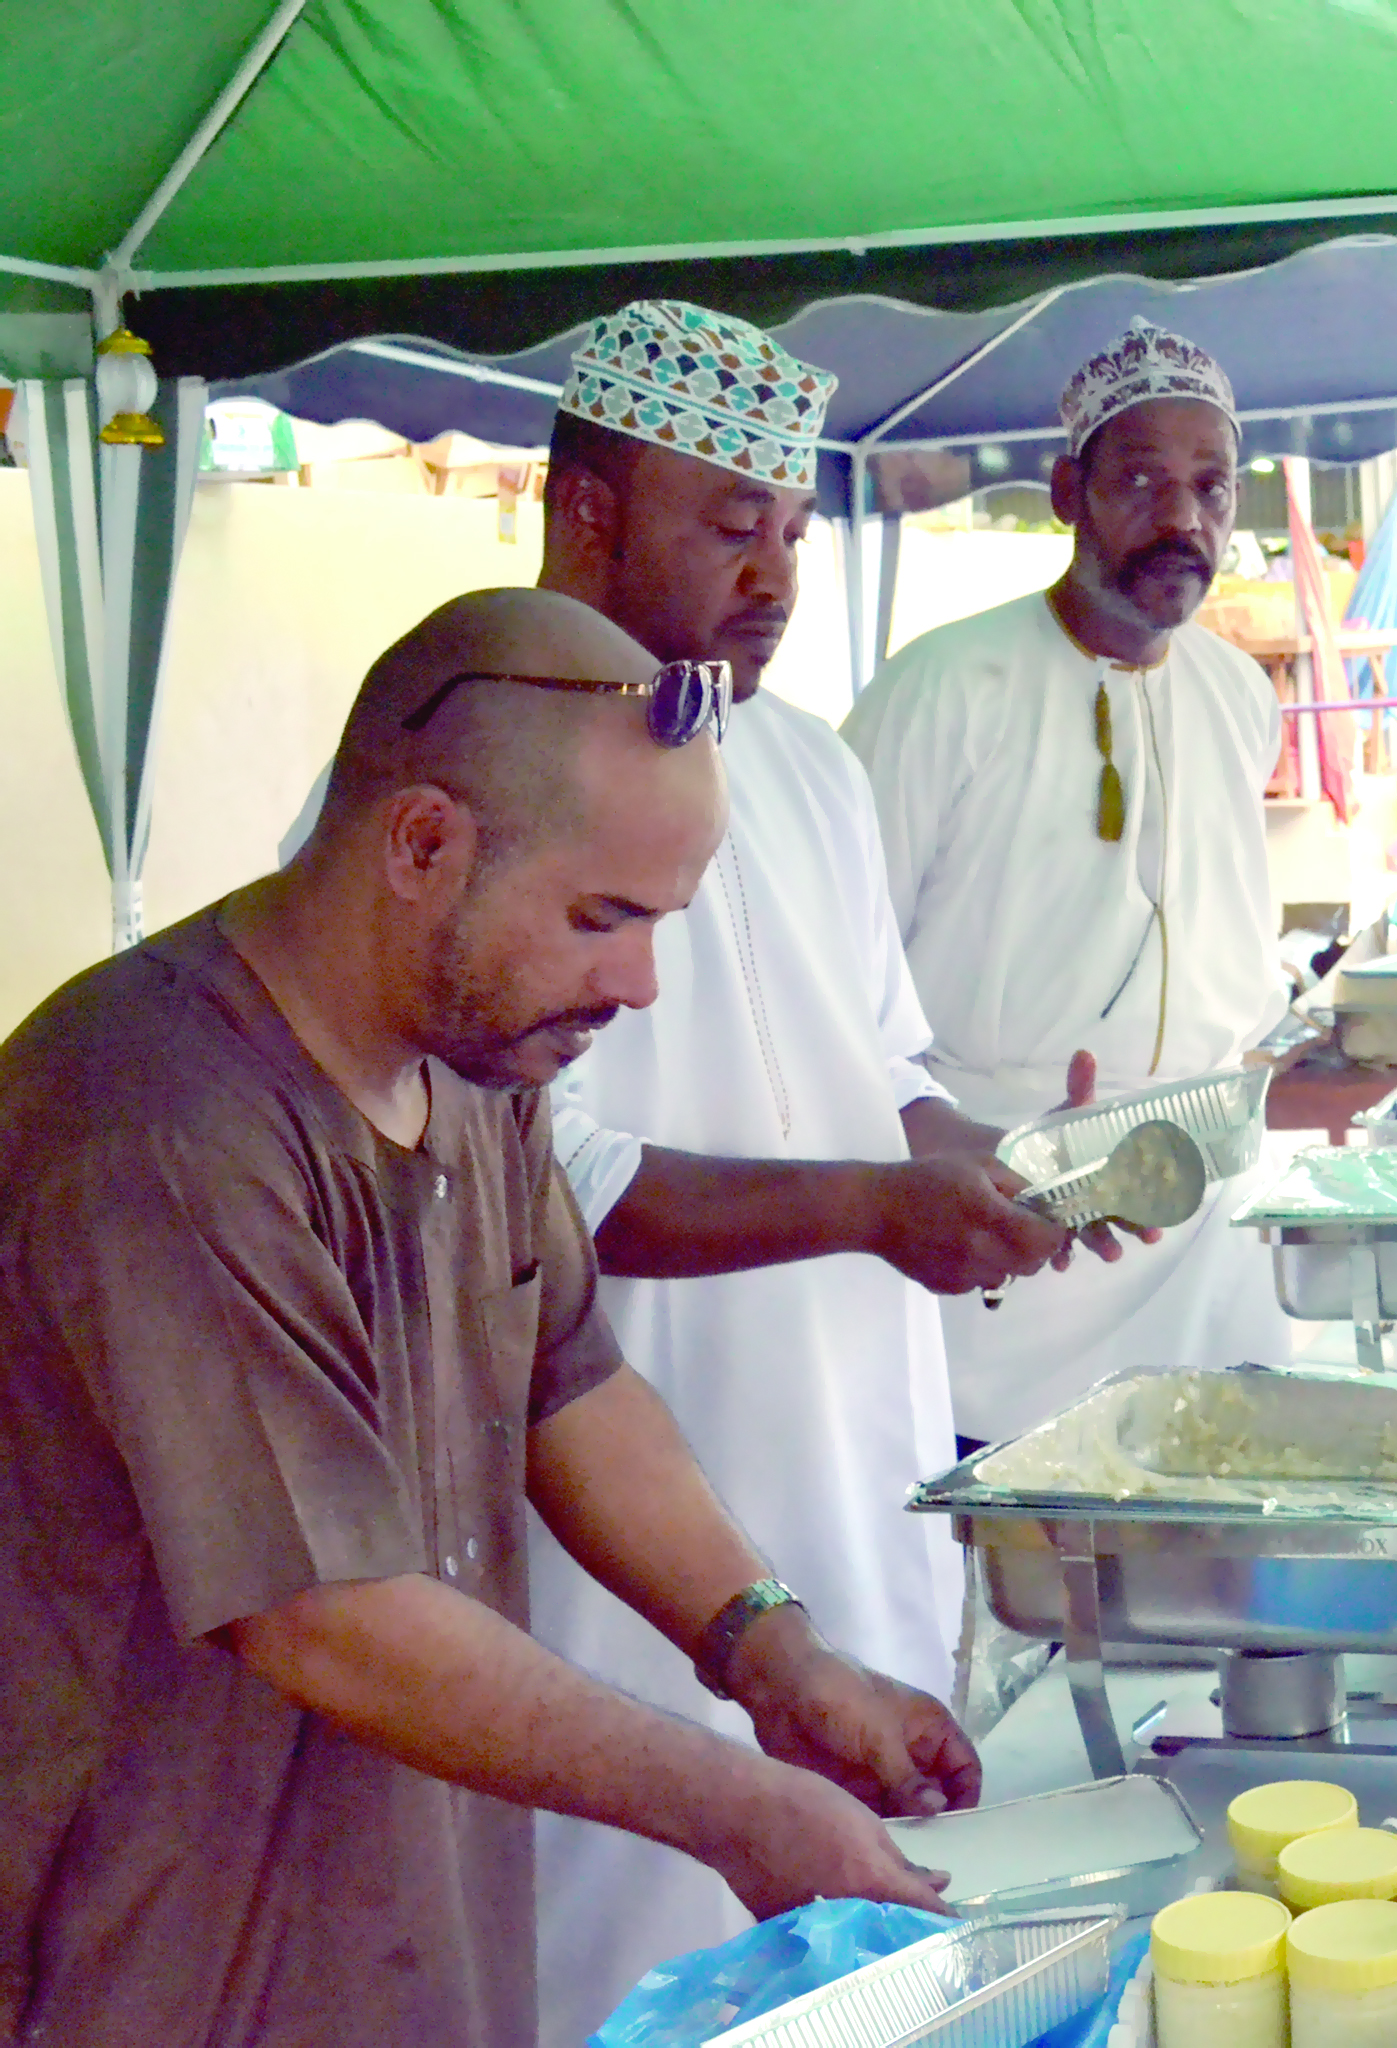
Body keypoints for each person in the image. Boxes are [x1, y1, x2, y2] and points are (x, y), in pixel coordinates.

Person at [0, 589, 979, 2048]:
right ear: (421, 844)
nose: (638, 983)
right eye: (602, 918)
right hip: (165, 1960)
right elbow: (325, 1610)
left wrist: (780, 1660)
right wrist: (729, 1806)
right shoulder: (153, 1123)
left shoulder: (477, 1076)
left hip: (413, 1937)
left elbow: (569, 1392)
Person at [513, 302, 1094, 2043]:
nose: (772, 573)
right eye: (726, 523)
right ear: (588, 509)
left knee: (879, 1952)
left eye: (792, 528)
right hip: (635, 1512)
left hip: (865, 1454)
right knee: (641, 1945)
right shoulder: (463, 760)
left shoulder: (804, 762)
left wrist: (1010, 1176)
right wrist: (867, 1208)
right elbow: (553, 1188)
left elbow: (883, 1072)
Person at [843, 321, 1305, 1446]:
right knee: (1010, 1564)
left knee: (1203, 1542)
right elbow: (838, 976)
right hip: (1001, 1206)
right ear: (1066, 491)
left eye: (1211, 486)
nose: (1182, 518)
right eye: (1141, 479)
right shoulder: (945, 687)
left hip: (1203, 1214)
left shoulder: (1240, 691)